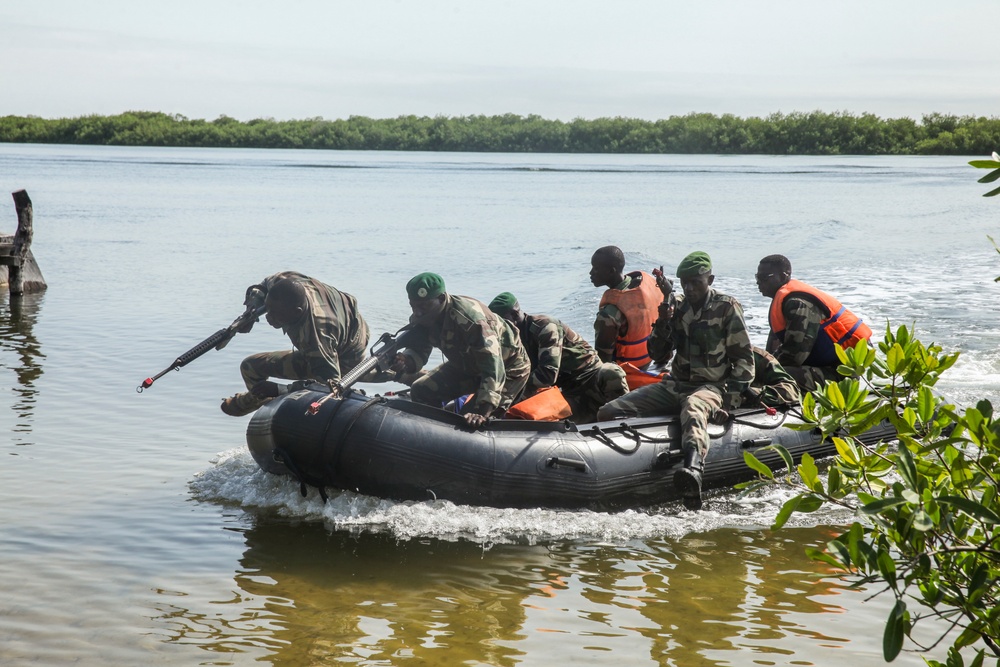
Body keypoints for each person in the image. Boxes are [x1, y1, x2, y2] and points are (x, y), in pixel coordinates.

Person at [597, 251, 755, 510]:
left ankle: (693, 470)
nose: (690, 288)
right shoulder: (677, 306)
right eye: (685, 283)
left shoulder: (726, 307)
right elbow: (658, 354)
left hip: (711, 386)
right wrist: (664, 322)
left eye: (696, 282)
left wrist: (730, 401)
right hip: (675, 383)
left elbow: (744, 361)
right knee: (610, 411)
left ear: (710, 279)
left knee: (694, 408)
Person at [391, 273, 530, 428]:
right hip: (467, 364)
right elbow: (419, 351)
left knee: (468, 420)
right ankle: (434, 432)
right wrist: (405, 362)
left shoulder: (470, 320)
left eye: (423, 306)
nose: (417, 312)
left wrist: (482, 411)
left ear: (442, 299)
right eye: (413, 306)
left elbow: (493, 366)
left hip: (507, 368)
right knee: (421, 390)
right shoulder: (424, 318)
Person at [221, 271, 369, 416]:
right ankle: (259, 400)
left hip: (348, 351)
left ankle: (271, 406)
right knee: (250, 366)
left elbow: (330, 390)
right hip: (345, 327)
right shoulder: (284, 280)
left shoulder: (316, 338)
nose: (269, 318)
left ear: (297, 312)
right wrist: (252, 308)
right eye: (268, 310)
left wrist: (280, 389)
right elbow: (264, 286)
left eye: (276, 314)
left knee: (332, 377)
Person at [487, 292, 629, 423]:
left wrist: (511, 399)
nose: (499, 329)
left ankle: (628, 420)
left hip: (592, 379)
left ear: (515, 314)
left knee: (611, 372)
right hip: (569, 392)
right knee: (542, 421)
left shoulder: (545, 327)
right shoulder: (511, 339)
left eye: (502, 322)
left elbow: (547, 375)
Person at [755, 254, 872, 392]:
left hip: (840, 373)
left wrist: (760, 371)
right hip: (823, 366)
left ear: (783, 276)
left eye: (764, 278)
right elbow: (776, 351)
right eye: (757, 277)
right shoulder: (784, 302)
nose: (758, 282)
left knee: (765, 376)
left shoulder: (798, 304)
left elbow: (795, 355)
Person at [589, 245, 663, 371]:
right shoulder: (645, 283)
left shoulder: (609, 314)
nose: (591, 273)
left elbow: (603, 363)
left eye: (596, 269)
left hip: (625, 372)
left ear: (611, 271)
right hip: (648, 360)